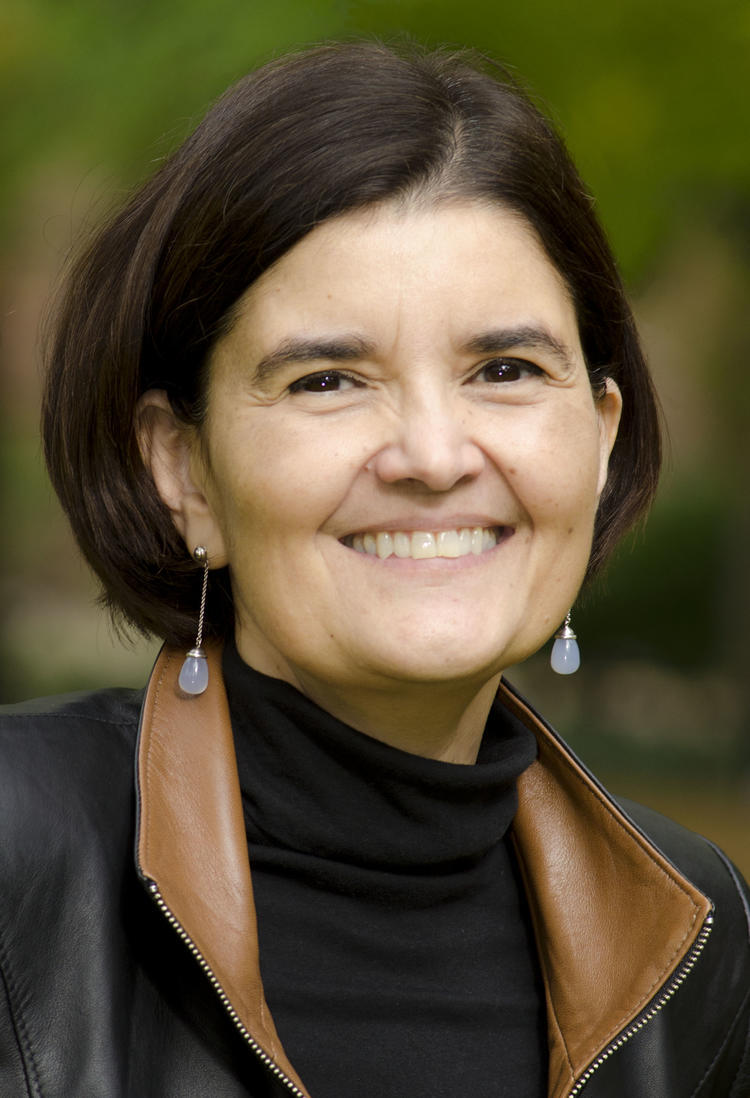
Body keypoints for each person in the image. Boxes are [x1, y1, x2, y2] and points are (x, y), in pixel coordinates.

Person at [1, 41, 748, 1098]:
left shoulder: (698, 942)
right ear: (185, 470)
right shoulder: (18, 858)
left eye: (505, 369)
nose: (434, 457)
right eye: (328, 380)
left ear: (601, 439)